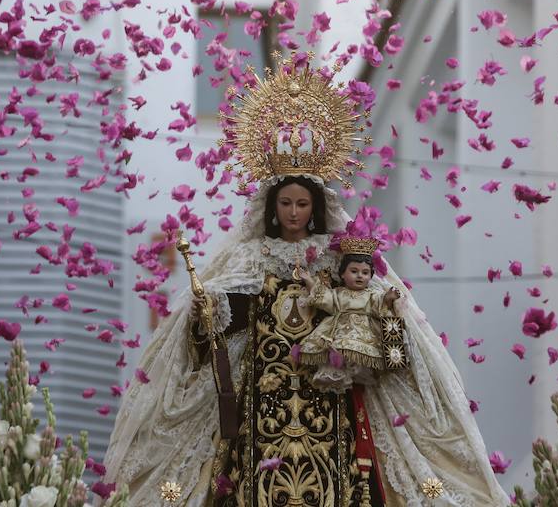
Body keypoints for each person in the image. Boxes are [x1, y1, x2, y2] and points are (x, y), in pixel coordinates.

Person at [102, 56, 509, 506]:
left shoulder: (339, 258)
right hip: (263, 406)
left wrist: (377, 319)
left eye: (301, 204)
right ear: (272, 207)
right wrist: (207, 316)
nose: (294, 213)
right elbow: (216, 335)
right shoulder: (247, 257)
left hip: (331, 404)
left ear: (315, 206)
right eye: (286, 204)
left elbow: (386, 327)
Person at [297, 238, 401, 392]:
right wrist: (309, 280)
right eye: (354, 271)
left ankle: (355, 371)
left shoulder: (372, 295)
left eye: (365, 273)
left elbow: (380, 305)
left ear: (371, 276)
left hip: (362, 335)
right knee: (334, 351)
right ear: (343, 274)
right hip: (338, 331)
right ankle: (335, 373)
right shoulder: (338, 293)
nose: (360, 276)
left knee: (358, 357)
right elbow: (323, 297)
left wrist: (388, 298)